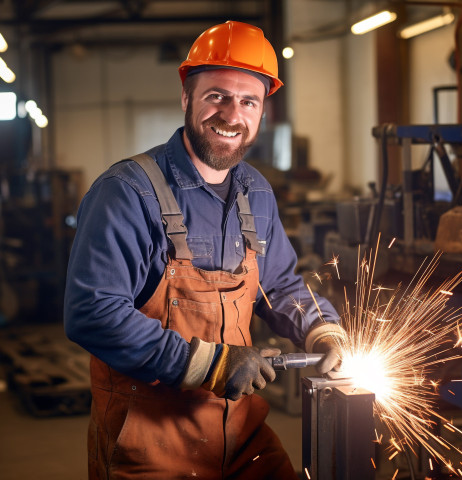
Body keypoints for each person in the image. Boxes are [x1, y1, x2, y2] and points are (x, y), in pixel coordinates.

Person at [64, 20, 346, 480]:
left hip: (239, 431)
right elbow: (91, 313)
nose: (232, 114)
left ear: (262, 112)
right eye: (217, 95)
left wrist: (322, 329)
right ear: (187, 99)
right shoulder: (127, 193)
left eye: (248, 101)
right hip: (150, 441)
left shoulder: (257, 192)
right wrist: (205, 362)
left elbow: (280, 284)